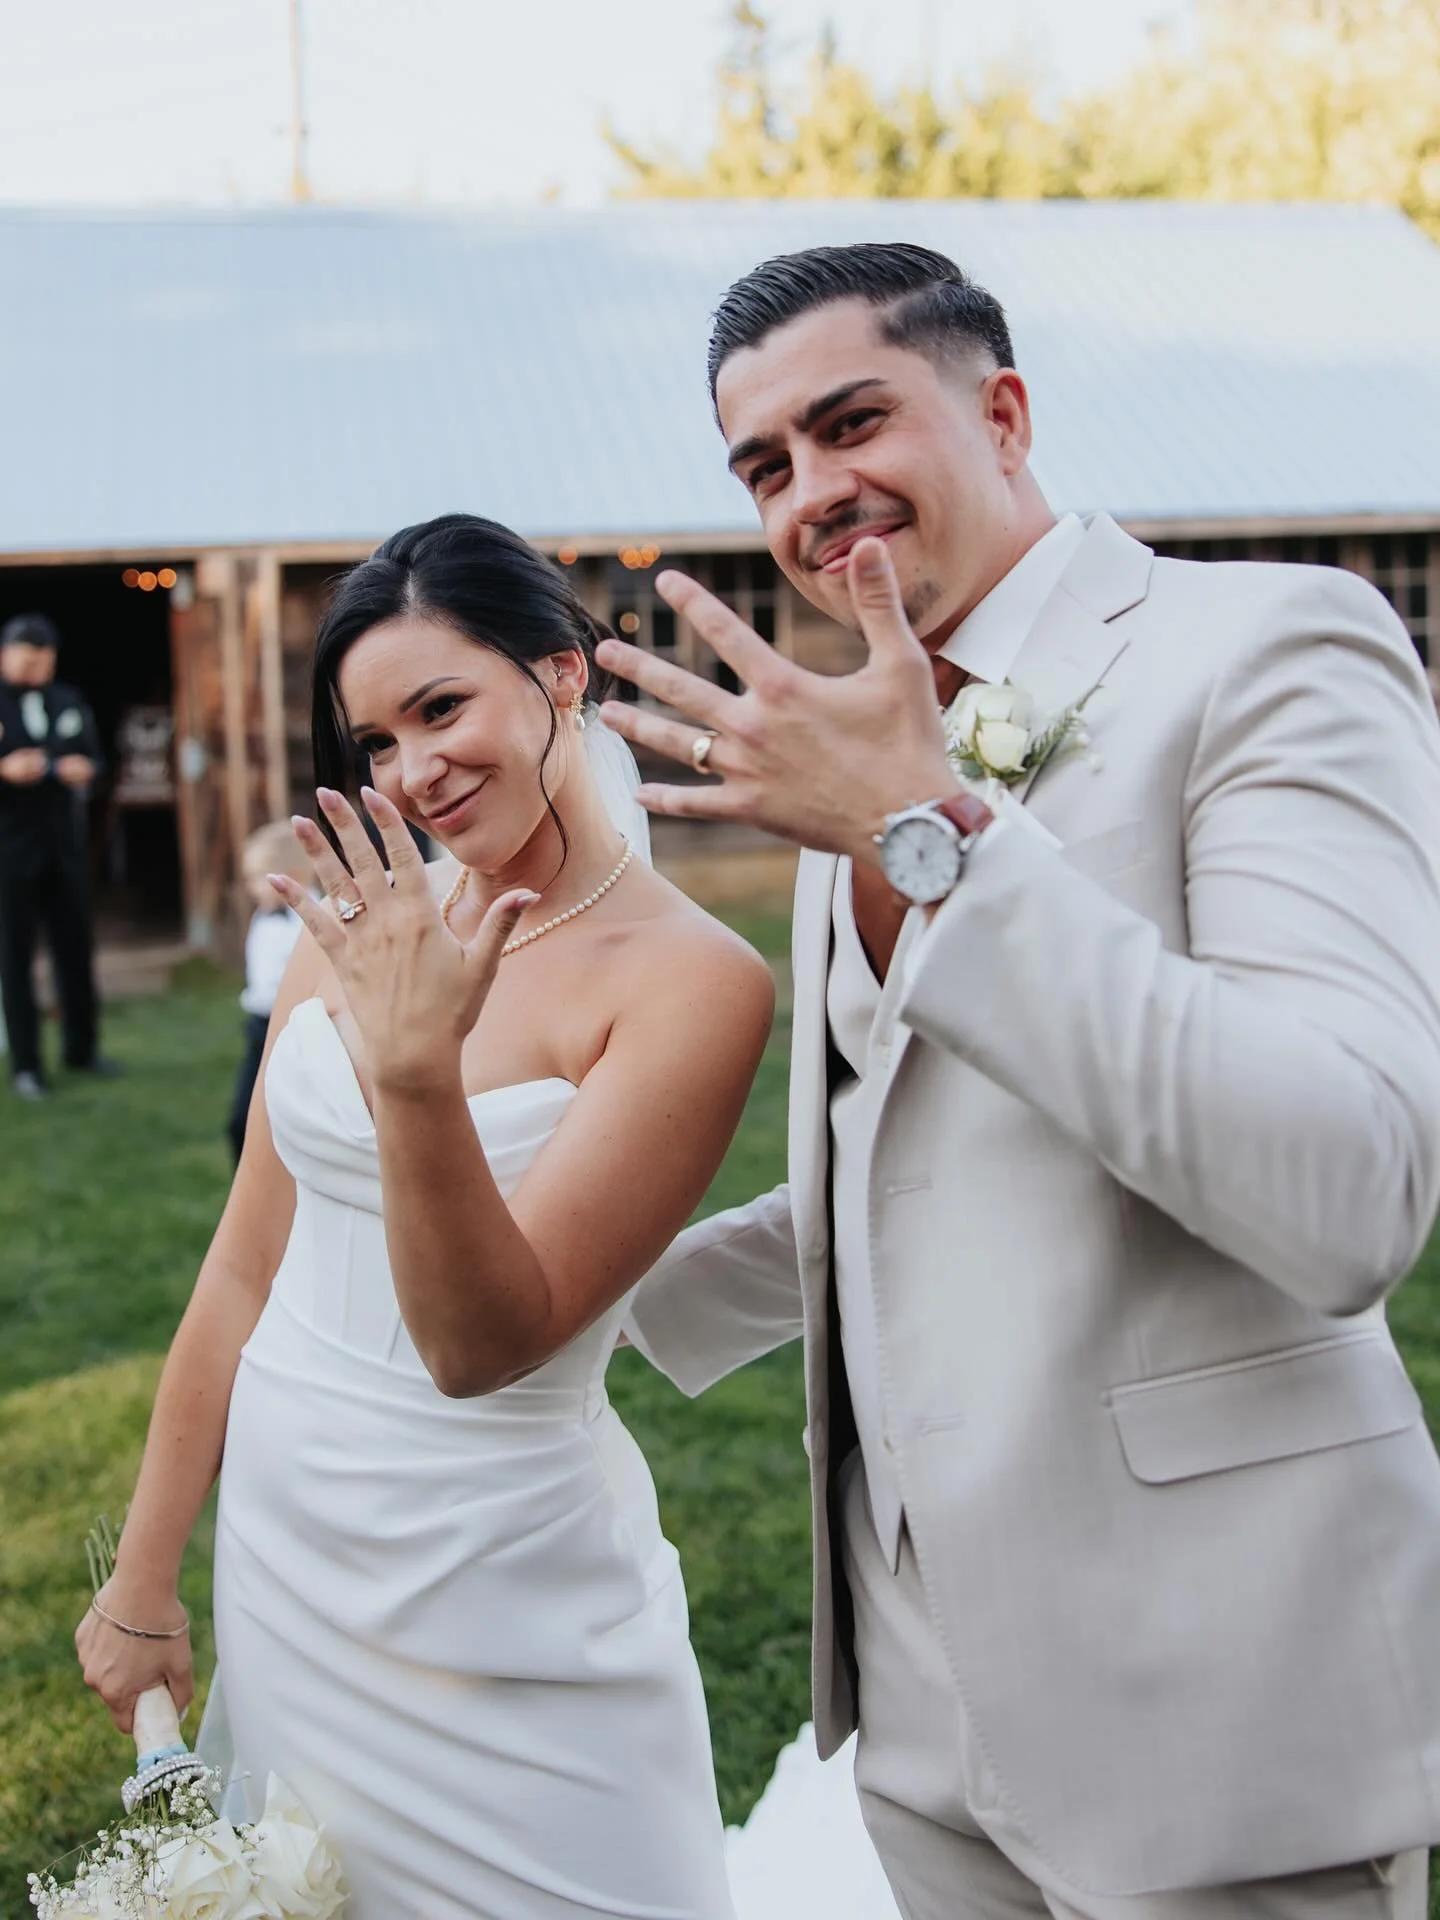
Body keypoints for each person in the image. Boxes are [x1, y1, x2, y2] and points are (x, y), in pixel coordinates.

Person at [604, 243, 1440, 1920]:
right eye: (763, 465)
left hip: (1214, 1692)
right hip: (919, 1711)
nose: (811, 494)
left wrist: (924, 844)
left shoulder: (1266, 645)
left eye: (851, 424)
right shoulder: (861, 748)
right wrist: (590, 1302)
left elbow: (1352, 1182)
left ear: (1001, 412)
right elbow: (914, 1155)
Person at [75, 514, 773, 1920]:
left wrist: (413, 1072)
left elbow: (481, 1340)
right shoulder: (364, 928)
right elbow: (237, 1272)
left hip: (508, 1580)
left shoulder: (696, 983)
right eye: (376, 743)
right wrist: (144, 1579)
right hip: (293, 1543)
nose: (414, 773)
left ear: (563, 675)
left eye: (442, 707)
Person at [0, 612, 117, 1101]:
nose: (35, 672)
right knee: (15, 959)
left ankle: (82, 1048)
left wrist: (82, 769)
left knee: (75, 950)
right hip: (9, 853)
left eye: (43, 663)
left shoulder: (69, 702)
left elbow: (96, 761)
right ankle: (27, 1065)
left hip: (63, 849)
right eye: (27, 661)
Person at [227, 820, 311, 1164]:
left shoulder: (309, 925)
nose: (249, 888)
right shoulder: (263, 917)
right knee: (242, 1121)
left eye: (256, 878)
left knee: (290, 1123)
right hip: (259, 1029)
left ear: (292, 875)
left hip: (295, 1031)